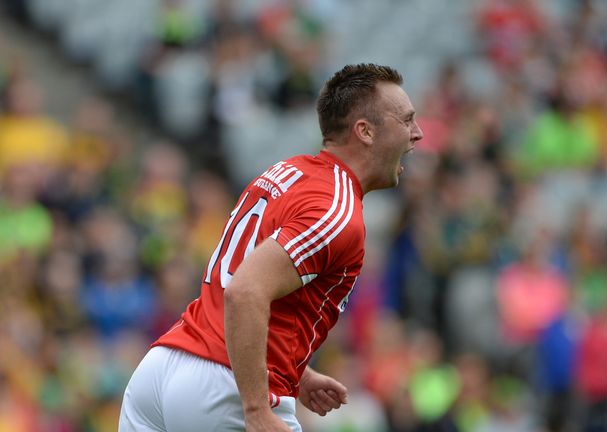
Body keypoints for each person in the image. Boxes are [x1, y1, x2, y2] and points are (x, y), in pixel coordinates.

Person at [119, 63, 424, 431]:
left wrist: (297, 369)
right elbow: (244, 291)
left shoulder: (287, 172)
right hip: (224, 388)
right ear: (365, 131)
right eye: (406, 120)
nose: (417, 133)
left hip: (163, 368)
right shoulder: (336, 212)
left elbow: (252, 289)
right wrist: (255, 409)